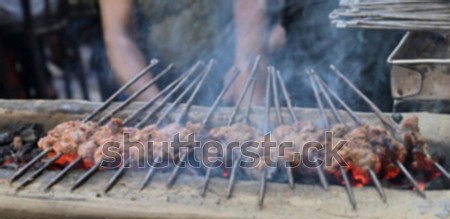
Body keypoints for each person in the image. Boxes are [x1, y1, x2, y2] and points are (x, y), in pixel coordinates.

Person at [99, 0, 402, 110]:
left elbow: (251, 14)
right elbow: (119, 37)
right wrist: (158, 112)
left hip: (228, 75)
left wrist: (251, 105)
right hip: (159, 81)